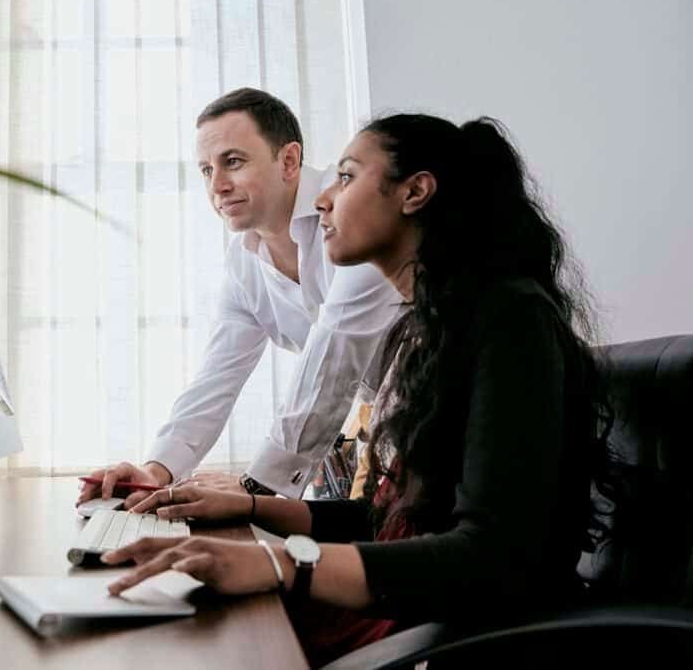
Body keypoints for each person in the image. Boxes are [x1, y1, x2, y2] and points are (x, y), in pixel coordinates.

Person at [100, 113, 616, 667]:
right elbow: (393, 516)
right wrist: (246, 506)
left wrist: (279, 562)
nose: (323, 199)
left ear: (415, 192)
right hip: (423, 601)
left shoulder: (509, 320)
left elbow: (492, 553)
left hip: (470, 625)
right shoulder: (430, 329)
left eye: (345, 177)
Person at [78, 89, 402, 505]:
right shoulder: (244, 262)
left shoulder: (350, 214)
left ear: (288, 161)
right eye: (205, 169)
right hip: (405, 425)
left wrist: (256, 486)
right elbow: (217, 377)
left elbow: (333, 357)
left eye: (232, 162)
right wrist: (155, 470)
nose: (217, 186)